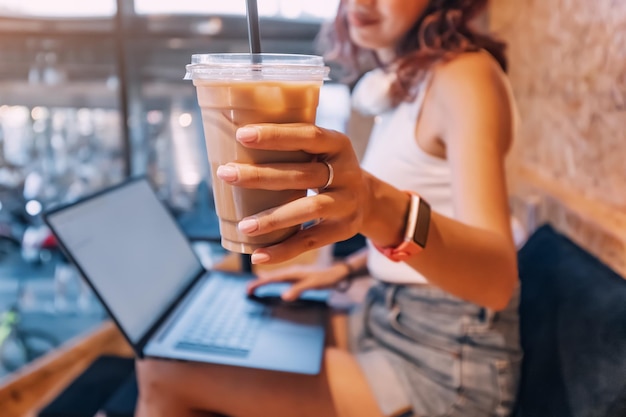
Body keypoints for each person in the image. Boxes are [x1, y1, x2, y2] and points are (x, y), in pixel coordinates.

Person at [136, 0, 522, 416]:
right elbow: (439, 216)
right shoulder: (407, 84)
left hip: (445, 365)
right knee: (206, 342)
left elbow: (497, 280)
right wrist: (346, 269)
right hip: (382, 316)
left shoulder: (465, 76)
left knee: (162, 372)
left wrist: (375, 206)